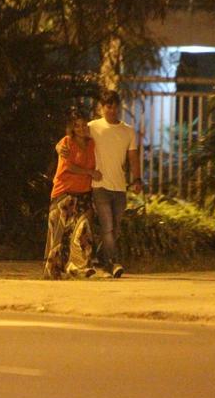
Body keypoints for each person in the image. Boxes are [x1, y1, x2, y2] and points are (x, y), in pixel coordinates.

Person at [59, 90, 142, 278]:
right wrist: (60, 147)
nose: (111, 110)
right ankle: (112, 263)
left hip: (119, 187)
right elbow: (73, 134)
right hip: (100, 186)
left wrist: (137, 179)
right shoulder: (93, 127)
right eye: (108, 106)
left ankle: (101, 257)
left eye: (114, 106)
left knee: (115, 228)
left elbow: (133, 158)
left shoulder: (127, 131)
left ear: (119, 107)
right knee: (108, 227)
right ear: (102, 108)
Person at [43, 109, 102, 280]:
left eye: (84, 125)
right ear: (72, 129)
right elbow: (69, 167)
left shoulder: (91, 143)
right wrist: (90, 172)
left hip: (84, 193)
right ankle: (53, 269)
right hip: (65, 193)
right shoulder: (67, 142)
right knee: (59, 235)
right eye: (77, 126)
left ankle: (80, 266)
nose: (82, 128)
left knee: (83, 231)